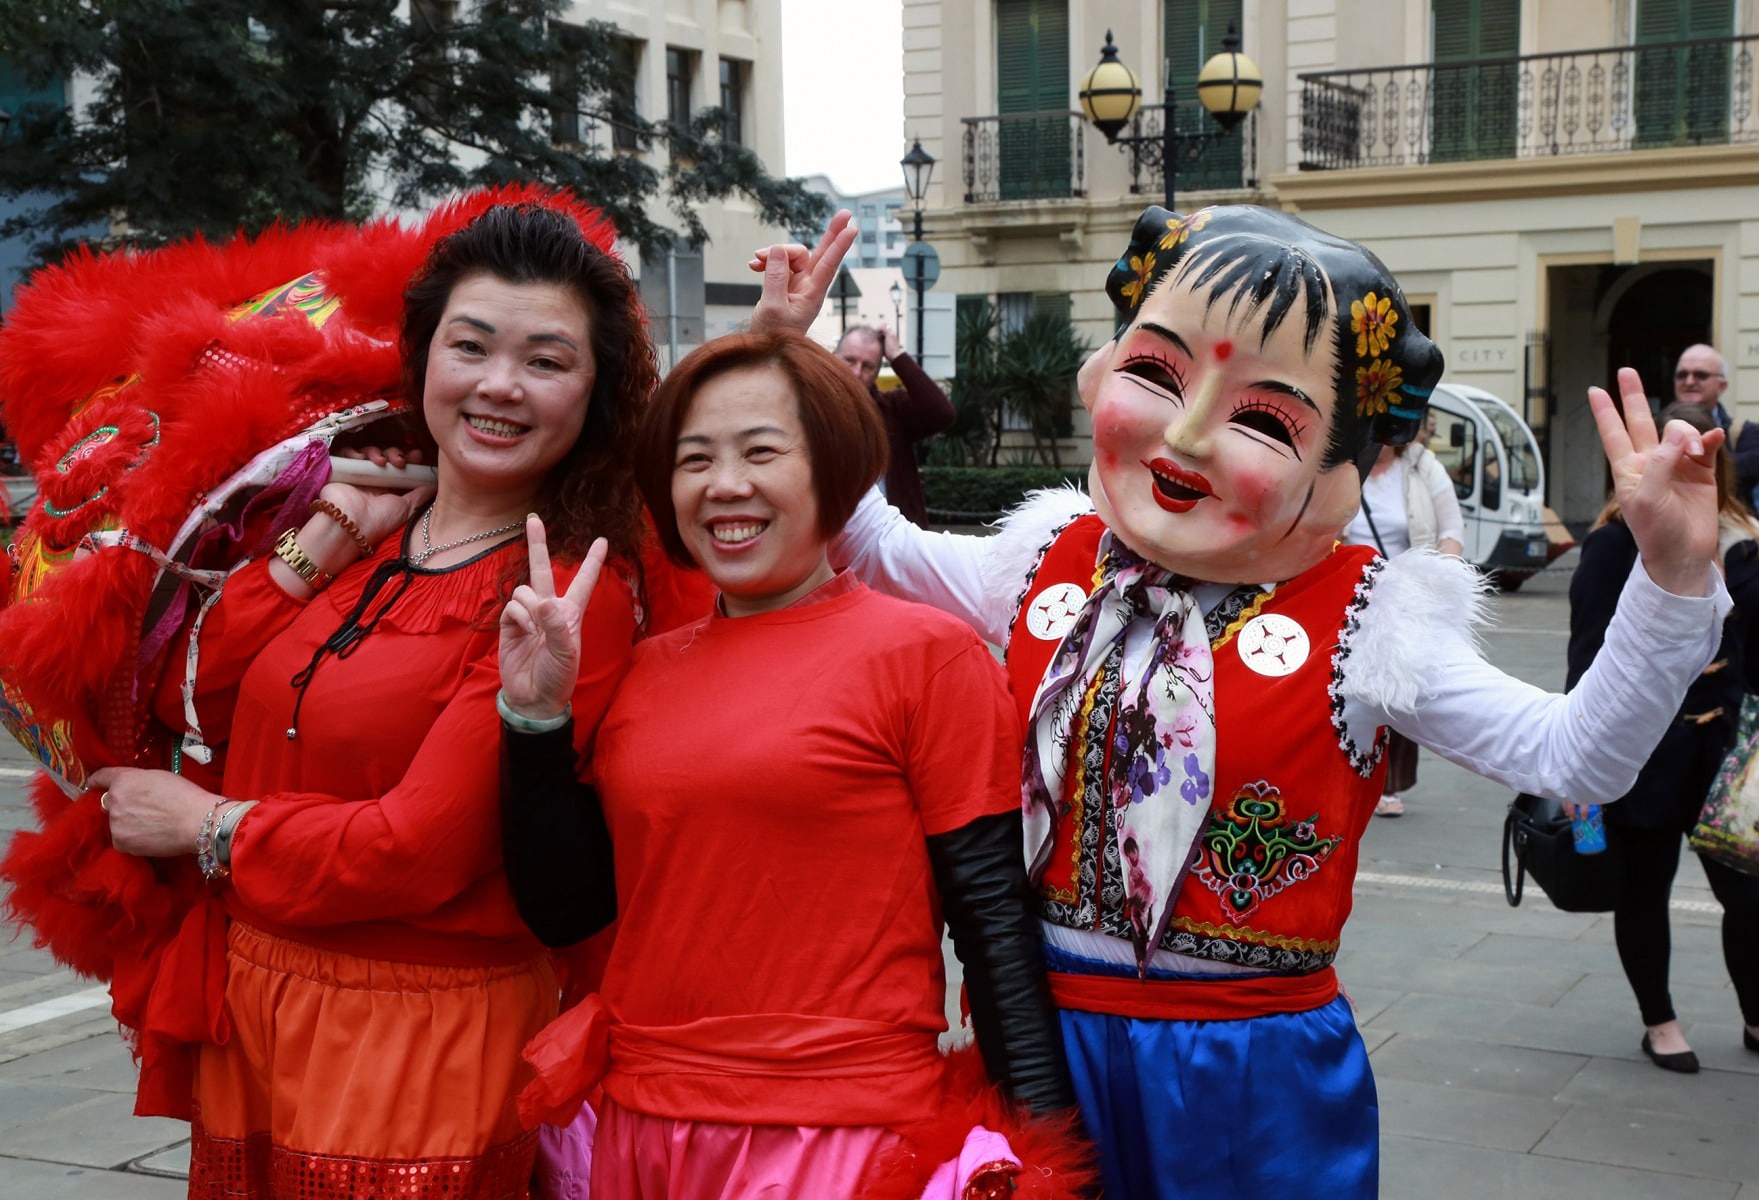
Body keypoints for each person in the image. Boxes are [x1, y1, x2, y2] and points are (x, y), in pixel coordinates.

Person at [810, 203, 1732, 1198]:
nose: (1187, 433)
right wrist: (792, 370)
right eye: (1155, 373)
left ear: (1345, 464)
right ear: (1100, 371)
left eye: (1261, 420)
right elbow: (871, 543)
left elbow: (1572, 757)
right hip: (1035, 1047)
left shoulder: (1370, 617)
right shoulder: (1045, 560)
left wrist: (1671, 580)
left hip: (1245, 1074)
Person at [84, 198, 656, 1197]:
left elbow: (415, 849)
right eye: (469, 346)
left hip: (415, 1037)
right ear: (422, 358)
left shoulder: (566, 594)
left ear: (595, 396)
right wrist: (327, 534)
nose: (499, 385)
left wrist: (204, 826)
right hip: (256, 1008)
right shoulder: (370, 534)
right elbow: (189, 696)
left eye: (546, 361)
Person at [497, 330, 1083, 1198]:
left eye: (761, 451)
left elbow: (992, 924)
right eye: (694, 459)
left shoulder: (929, 656)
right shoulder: (644, 671)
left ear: (833, 470)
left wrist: (1049, 1158)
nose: (724, 484)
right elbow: (568, 909)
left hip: (839, 1143)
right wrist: (535, 718)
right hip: (642, 1134)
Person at [1566, 400, 1759, 1074]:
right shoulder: (1613, 543)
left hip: (1720, 753)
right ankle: (1660, 1020)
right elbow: (1585, 659)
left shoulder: (1740, 538)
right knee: (1645, 891)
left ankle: (1755, 1011)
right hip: (1643, 756)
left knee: (1747, 892)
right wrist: (1578, 769)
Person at [1343, 438, 1465, 817]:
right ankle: (1343, 775)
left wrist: (1438, 581)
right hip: (1346, 591)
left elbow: (1452, 532)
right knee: (1340, 687)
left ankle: (1388, 783)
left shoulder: (1423, 466)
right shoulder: (1345, 460)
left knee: (1395, 688)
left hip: (1404, 598)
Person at [834, 323, 955, 525]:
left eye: (868, 366)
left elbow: (942, 413)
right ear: (833, 357)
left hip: (893, 535)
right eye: (850, 360)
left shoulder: (893, 410)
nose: (856, 373)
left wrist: (897, 356)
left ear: (876, 373)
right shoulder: (814, 410)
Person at [1672, 342, 1759, 501]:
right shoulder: (1655, 427)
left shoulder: (1744, 432)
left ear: (1722, 386)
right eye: (1682, 375)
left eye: (1701, 375)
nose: (1689, 381)